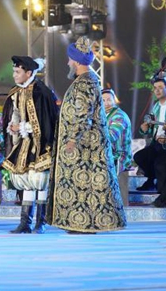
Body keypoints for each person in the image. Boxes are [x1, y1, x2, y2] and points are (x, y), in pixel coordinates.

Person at [48, 37, 126, 234]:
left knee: (87, 186)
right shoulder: (85, 80)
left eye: (69, 59)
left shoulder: (85, 82)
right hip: (84, 142)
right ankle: (80, 223)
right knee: (82, 186)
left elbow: (83, 112)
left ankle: (86, 223)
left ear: (76, 61)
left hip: (86, 144)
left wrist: (73, 138)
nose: (67, 63)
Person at [1, 55, 59, 234]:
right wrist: (13, 125)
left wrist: (23, 127)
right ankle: (24, 222)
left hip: (42, 144)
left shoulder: (41, 92)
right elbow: (16, 112)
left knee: (39, 181)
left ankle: (39, 223)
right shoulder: (16, 91)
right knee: (26, 181)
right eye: (14, 71)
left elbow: (46, 122)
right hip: (25, 142)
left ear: (29, 73)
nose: (14, 75)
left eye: (18, 72)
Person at [134, 78, 166, 191]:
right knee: (140, 157)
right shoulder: (156, 106)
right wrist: (145, 129)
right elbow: (153, 128)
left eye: (160, 87)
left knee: (160, 163)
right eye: (155, 88)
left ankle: (161, 188)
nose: (157, 90)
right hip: (157, 143)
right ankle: (151, 179)